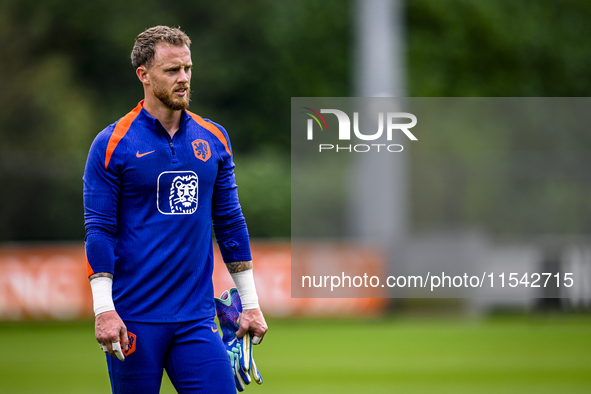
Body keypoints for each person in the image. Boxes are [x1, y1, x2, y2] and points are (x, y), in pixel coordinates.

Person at [83, 25, 267, 394]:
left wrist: (250, 304)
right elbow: (99, 230)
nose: (183, 79)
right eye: (171, 71)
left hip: (197, 318)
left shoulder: (213, 138)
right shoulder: (112, 144)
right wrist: (104, 309)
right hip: (134, 319)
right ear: (144, 75)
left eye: (187, 69)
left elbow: (229, 223)